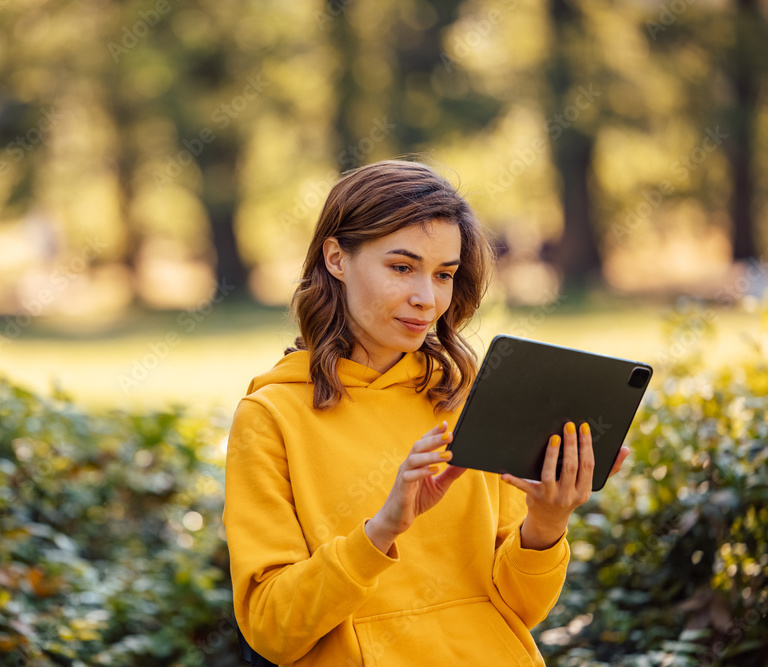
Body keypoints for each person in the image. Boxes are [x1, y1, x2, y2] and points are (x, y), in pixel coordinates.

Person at [223, 159, 629, 666]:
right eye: (401, 267)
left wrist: (547, 524)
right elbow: (271, 628)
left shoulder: (467, 398)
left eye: (444, 275)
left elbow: (517, 610)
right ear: (336, 258)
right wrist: (382, 531)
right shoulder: (270, 417)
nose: (426, 298)